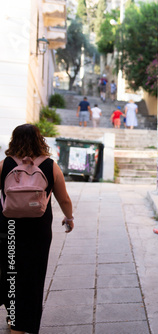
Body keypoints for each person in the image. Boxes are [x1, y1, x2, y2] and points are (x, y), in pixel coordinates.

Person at [0, 124, 74, 334]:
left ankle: (14, 320)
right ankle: (24, 324)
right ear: (40, 140)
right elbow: (64, 199)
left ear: (14, 140)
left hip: (9, 229)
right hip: (38, 231)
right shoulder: (51, 166)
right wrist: (69, 218)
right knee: (33, 276)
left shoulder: (4, 165)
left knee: (11, 273)